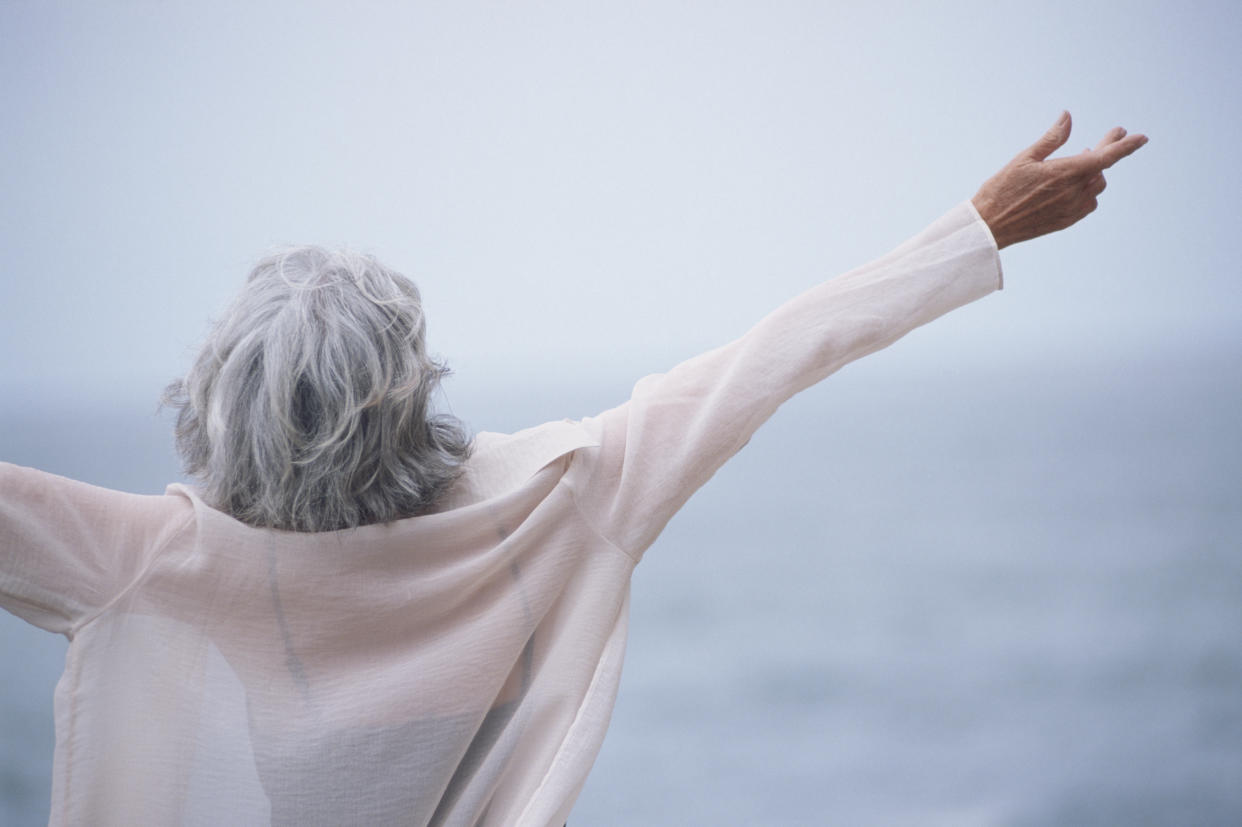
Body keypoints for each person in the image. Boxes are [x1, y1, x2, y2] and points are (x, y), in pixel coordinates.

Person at [0, 112, 1145, 826]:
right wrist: (982, 225)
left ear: (213, 401)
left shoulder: (161, 560)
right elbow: (779, 352)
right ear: (417, 377)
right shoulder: (552, 498)